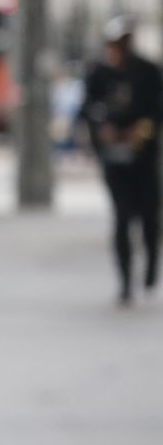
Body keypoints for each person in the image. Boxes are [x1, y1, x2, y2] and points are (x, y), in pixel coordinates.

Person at [80, 16, 163, 306]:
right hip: (114, 158)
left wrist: (142, 130)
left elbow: (157, 109)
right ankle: (126, 282)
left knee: (150, 217)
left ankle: (152, 266)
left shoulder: (148, 71)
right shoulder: (99, 73)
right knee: (122, 216)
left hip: (143, 156)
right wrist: (102, 131)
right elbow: (87, 109)